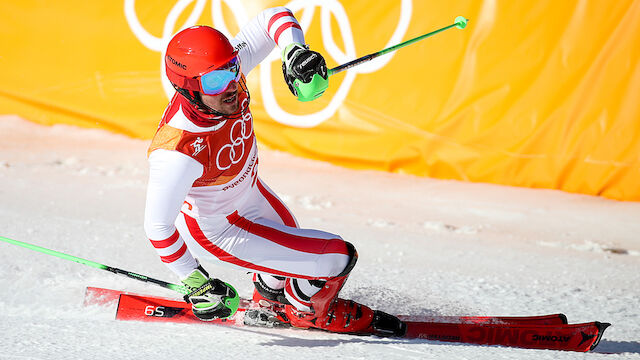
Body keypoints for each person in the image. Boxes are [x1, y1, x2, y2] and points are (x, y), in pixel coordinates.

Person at [143, 7, 373, 334]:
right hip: (223, 231)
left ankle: (269, 300)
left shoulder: (224, 76)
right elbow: (157, 226)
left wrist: (294, 51)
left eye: (233, 68)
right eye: (216, 79)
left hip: (250, 194)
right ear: (190, 88)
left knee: (288, 247)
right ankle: (307, 311)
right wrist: (196, 283)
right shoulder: (177, 149)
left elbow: (273, 19)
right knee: (338, 257)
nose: (232, 84)